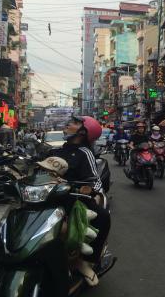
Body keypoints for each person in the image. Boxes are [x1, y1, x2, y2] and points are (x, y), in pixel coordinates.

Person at [51, 116, 110, 283]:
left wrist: (95, 193)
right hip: (49, 197)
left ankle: (85, 262)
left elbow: (94, 180)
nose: (68, 124)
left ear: (83, 132)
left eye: (74, 123)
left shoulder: (85, 153)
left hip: (73, 198)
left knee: (104, 216)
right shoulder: (57, 150)